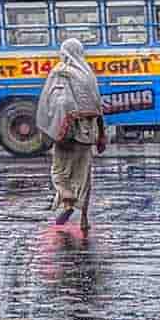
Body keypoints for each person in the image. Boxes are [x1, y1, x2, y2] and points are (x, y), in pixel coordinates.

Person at [35, 38, 107, 235]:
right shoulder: (88, 74)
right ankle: (83, 219)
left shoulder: (60, 72)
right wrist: (102, 135)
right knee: (84, 178)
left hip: (66, 134)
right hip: (87, 135)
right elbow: (98, 107)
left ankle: (67, 200)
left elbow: (59, 102)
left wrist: (59, 128)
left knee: (60, 173)